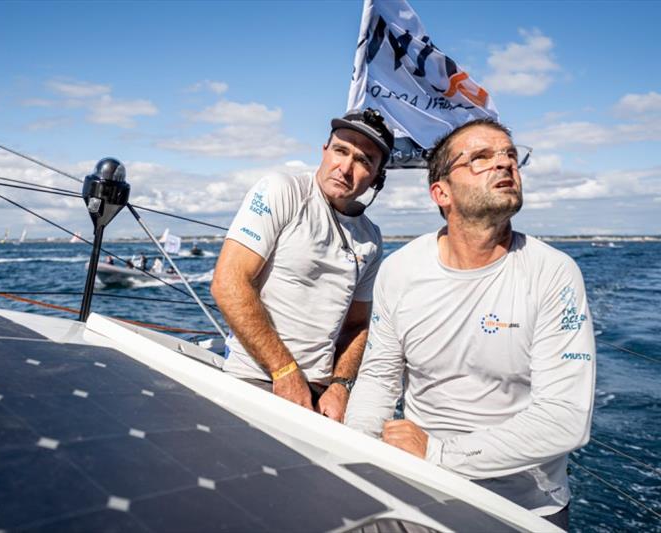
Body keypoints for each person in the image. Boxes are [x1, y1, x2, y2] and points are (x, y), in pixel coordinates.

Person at [345, 118, 596, 530]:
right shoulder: (401, 271)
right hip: (417, 489)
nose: (504, 165)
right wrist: (359, 459)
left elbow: (564, 418)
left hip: (524, 507)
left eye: (510, 156)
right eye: (480, 158)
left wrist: (438, 453)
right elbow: (378, 379)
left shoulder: (553, 273)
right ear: (440, 193)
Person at [211, 108, 394, 421]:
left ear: (378, 177)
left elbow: (357, 325)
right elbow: (228, 283)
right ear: (324, 151)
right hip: (259, 378)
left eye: (364, 160)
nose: (346, 167)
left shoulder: (371, 238)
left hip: (322, 394)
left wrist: (342, 385)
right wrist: (285, 373)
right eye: (340, 150)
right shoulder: (282, 191)